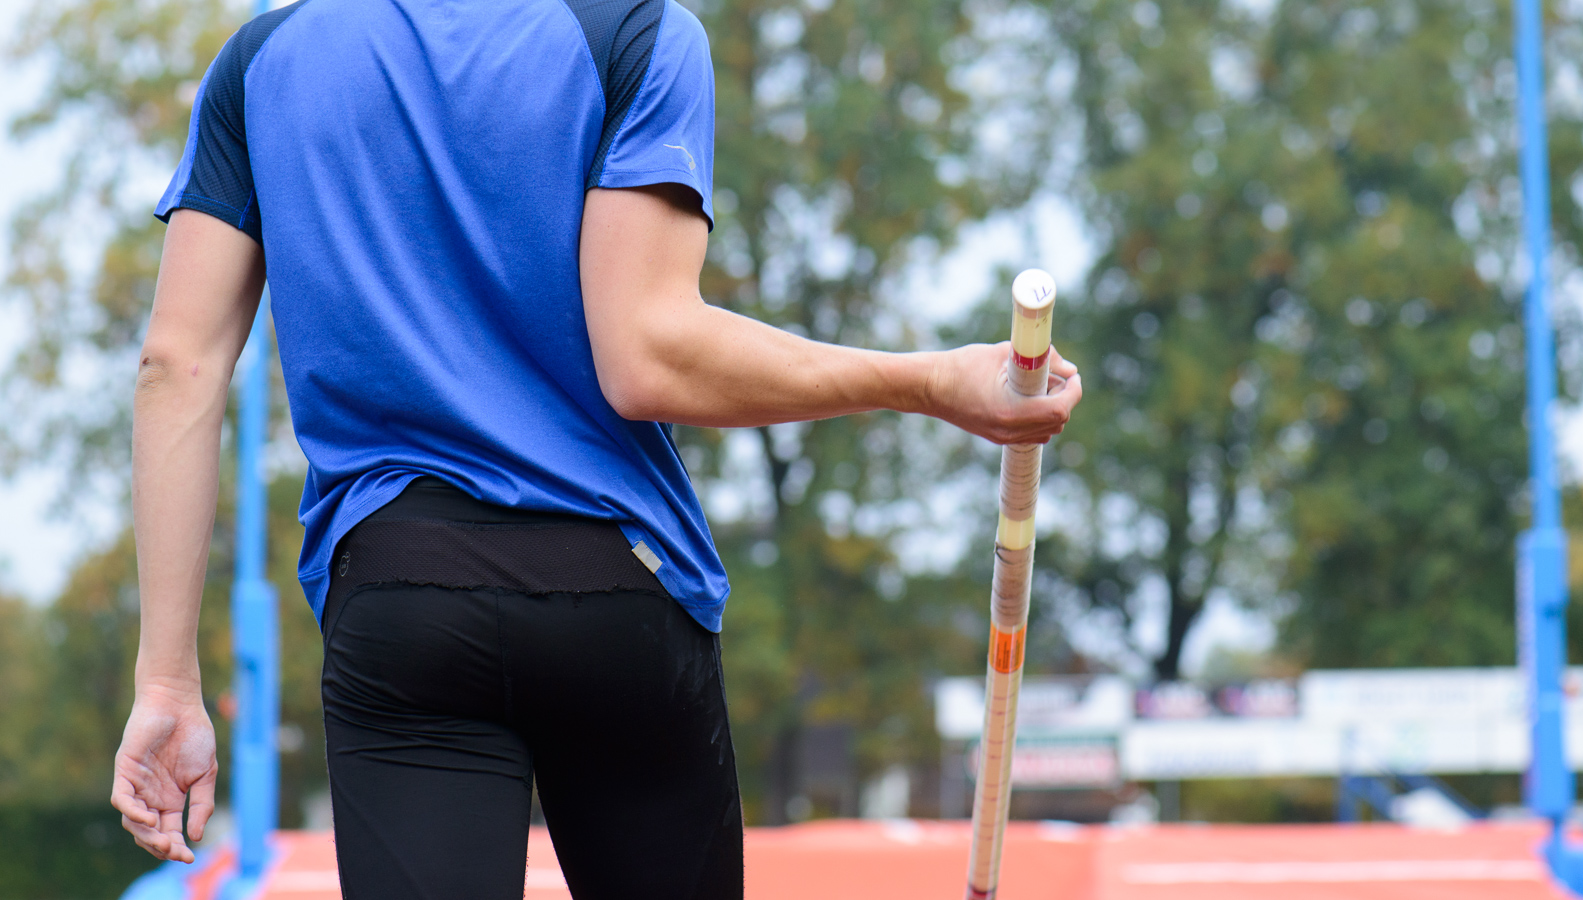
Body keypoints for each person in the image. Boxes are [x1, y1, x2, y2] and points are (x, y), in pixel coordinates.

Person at [108, 0, 1084, 896]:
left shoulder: (265, 58)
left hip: (404, 601)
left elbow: (176, 366)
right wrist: (924, 382)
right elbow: (647, 358)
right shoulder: (636, 29)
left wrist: (166, 686)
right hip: (614, 593)